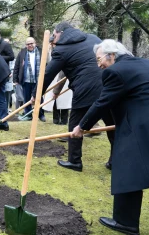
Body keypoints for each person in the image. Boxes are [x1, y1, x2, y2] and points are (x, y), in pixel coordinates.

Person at [71, 39, 149, 235]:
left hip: (146, 121)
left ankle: (126, 222)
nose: (99, 65)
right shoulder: (148, 64)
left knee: (128, 163)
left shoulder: (115, 71)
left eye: (99, 60)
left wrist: (82, 126)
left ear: (111, 55)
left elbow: (103, 102)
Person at [35, 22, 115, 172]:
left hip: (86, 89)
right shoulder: (93, 38)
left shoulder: (62, 49)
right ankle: (115, 161)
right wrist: (56, 90)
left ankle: (74, 161)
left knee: (75, 123)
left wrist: (36, 95)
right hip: (109, 86)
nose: (53, 37)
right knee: (112, 125)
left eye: (54, 34)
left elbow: (47, 74)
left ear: (61, 32)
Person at [13, 37, 46, 122]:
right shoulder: (22, 52)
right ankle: (28, 115)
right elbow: (17, 66)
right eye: (28, 44)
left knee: (39, 98)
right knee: (26, 98)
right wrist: (15, 79)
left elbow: (46, 64)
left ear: (35, 43)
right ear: (26, 45)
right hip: (26, 80)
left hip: (37, 80)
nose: (30, 45)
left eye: (31, 43)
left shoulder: (41, 51)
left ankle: (41, 114)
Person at [0, 30, 15, 115]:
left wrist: (0, 57)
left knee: (2, 93)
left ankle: (3, 112)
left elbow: (12, 57)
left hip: (3, 72)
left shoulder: (5, 44)